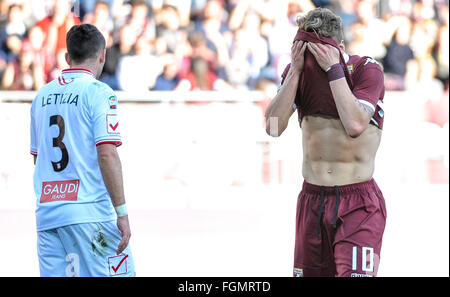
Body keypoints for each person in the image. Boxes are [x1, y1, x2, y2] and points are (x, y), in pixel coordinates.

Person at [265, 7, 387, 277]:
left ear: (339, 47)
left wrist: (333, 69)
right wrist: (296, 72)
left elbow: (355, 124)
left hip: (358, 201)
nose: (313, 61)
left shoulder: (366, 70)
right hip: (313, 200)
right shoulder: (296, 74)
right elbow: (273, 128)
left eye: (319, 52)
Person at [30, 23, 134, 277]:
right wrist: (121, 212)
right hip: (91, 214)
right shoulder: (99, 93)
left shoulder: (41, 96)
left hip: (49, 215)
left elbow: (37, 157)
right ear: (102, 55)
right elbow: (107, 153)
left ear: (67, 57)